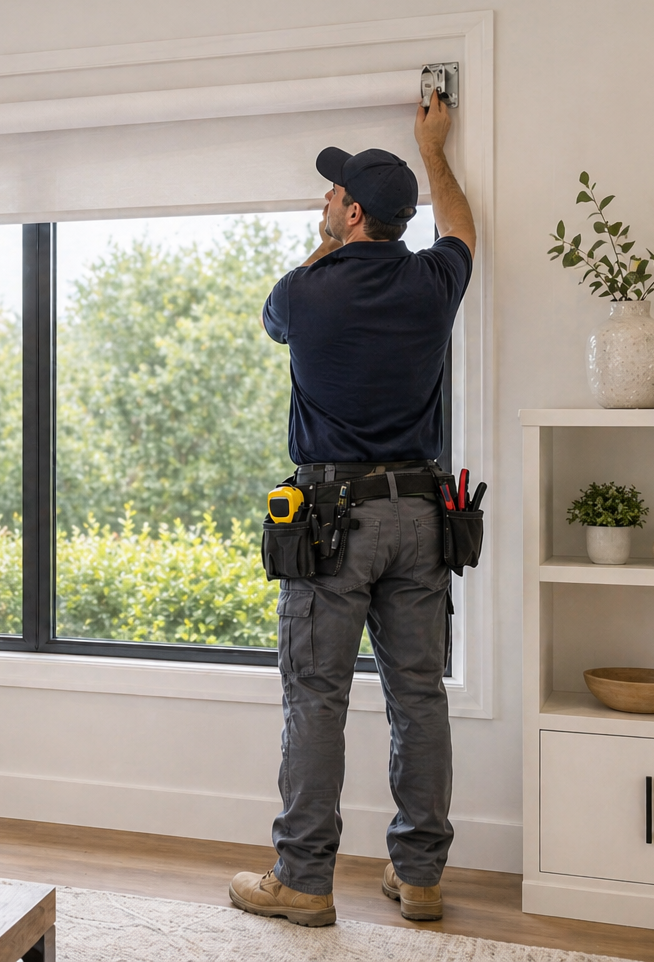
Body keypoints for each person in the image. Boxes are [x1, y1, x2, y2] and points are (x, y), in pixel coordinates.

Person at [227, 90, 476, 927]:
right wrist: (433, 151)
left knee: (316, 696)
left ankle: (302, 880)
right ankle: (421, 877)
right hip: (421, 512)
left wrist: (330, 244)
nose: (324, 201)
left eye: (334, 195)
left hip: (335, 518)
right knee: (419, 697)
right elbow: (463, 232)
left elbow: (275, 314)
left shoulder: (307, 292)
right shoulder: (434, 282)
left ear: (355, 211)